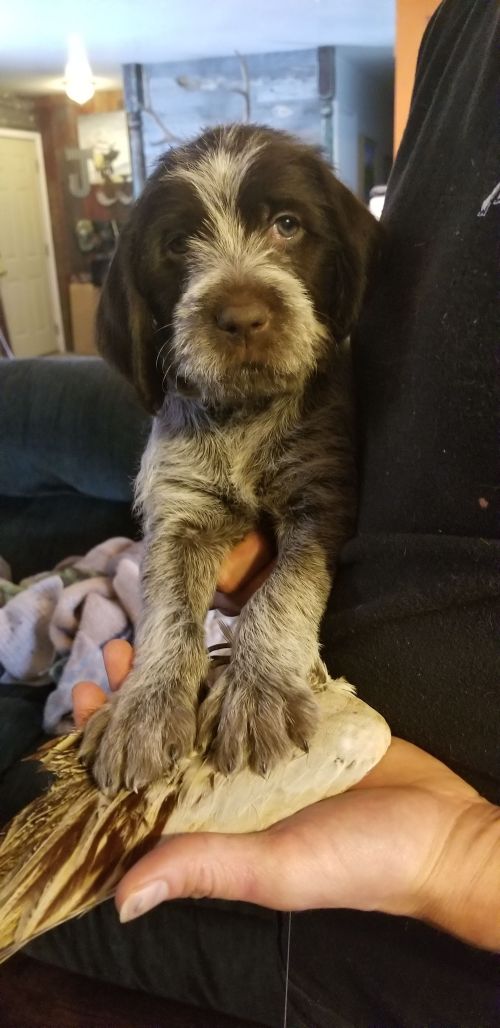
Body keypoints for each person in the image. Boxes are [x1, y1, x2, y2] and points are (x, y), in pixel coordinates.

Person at [6, 1, 500, 1024]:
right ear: (146, 296)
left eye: (284, 226)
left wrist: (268, 651)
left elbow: (319, 519)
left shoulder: (333, 384)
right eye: (187, 244)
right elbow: (177, 532)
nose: (240, 290)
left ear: (337, 267)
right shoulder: (458, 34)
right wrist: (165, 668)